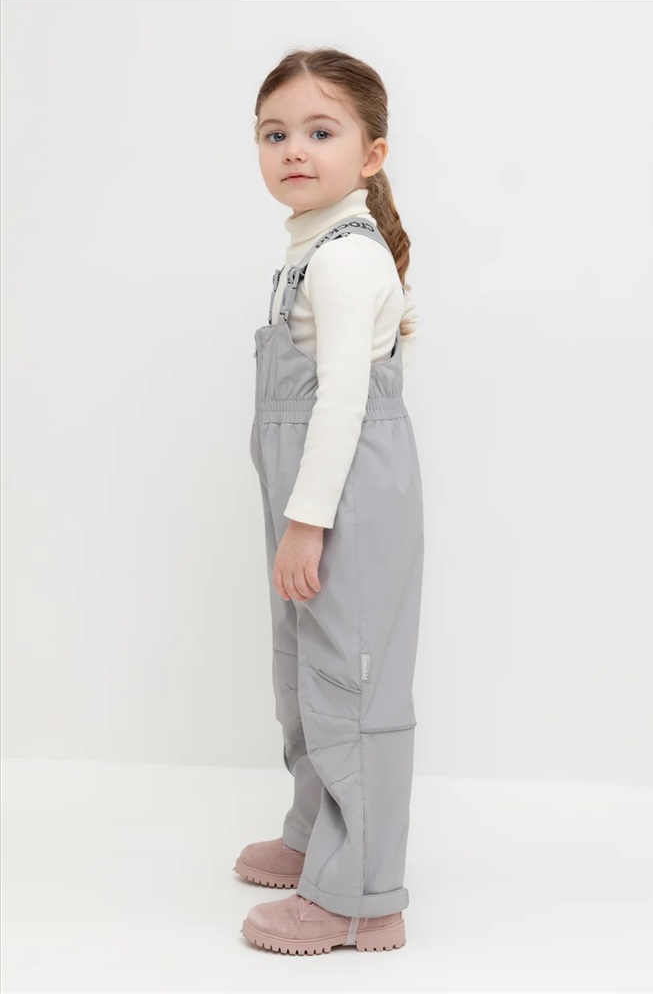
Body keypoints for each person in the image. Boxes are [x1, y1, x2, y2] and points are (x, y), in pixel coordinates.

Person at [235, 48, 424, 955]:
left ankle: (359, 898)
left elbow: (345, 401)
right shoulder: (308, 248)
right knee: (304, 670)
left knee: (350, 684)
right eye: (274, 134)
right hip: (309, 492)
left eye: (320, 131)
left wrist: (306, 523)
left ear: (371, 154)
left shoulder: (345, 260)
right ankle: (317, 838)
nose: (293, 150)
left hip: (341, 498)